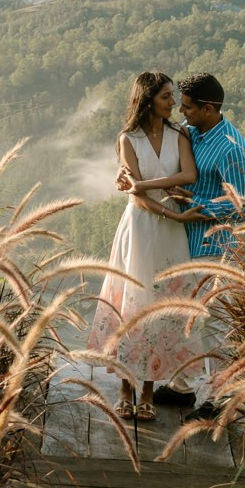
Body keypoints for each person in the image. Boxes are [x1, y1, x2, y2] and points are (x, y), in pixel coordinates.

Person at [115, 71, 245, 418]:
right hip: (187, 241)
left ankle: (221, 400)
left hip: (223, 243)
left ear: (208, 108)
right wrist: (127, 178)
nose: (181, 111)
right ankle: (182, 387)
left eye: (188, 107)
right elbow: (154, 157)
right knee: (184, 316)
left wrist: (198, 208)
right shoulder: (193, 132)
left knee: (219, 321)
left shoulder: (230, 147)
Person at [85, 71, 199, 421]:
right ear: (148, 99)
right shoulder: (127, 138)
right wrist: (172, 211)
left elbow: (189, 176)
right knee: (133, 306)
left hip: (169, 232)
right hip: (141, 226)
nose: (173, 103)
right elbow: (138, 199)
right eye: (166, 96)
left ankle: (147, 392)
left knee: (160, 305)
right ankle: (124, 389)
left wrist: (145, 184)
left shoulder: (179, 133)